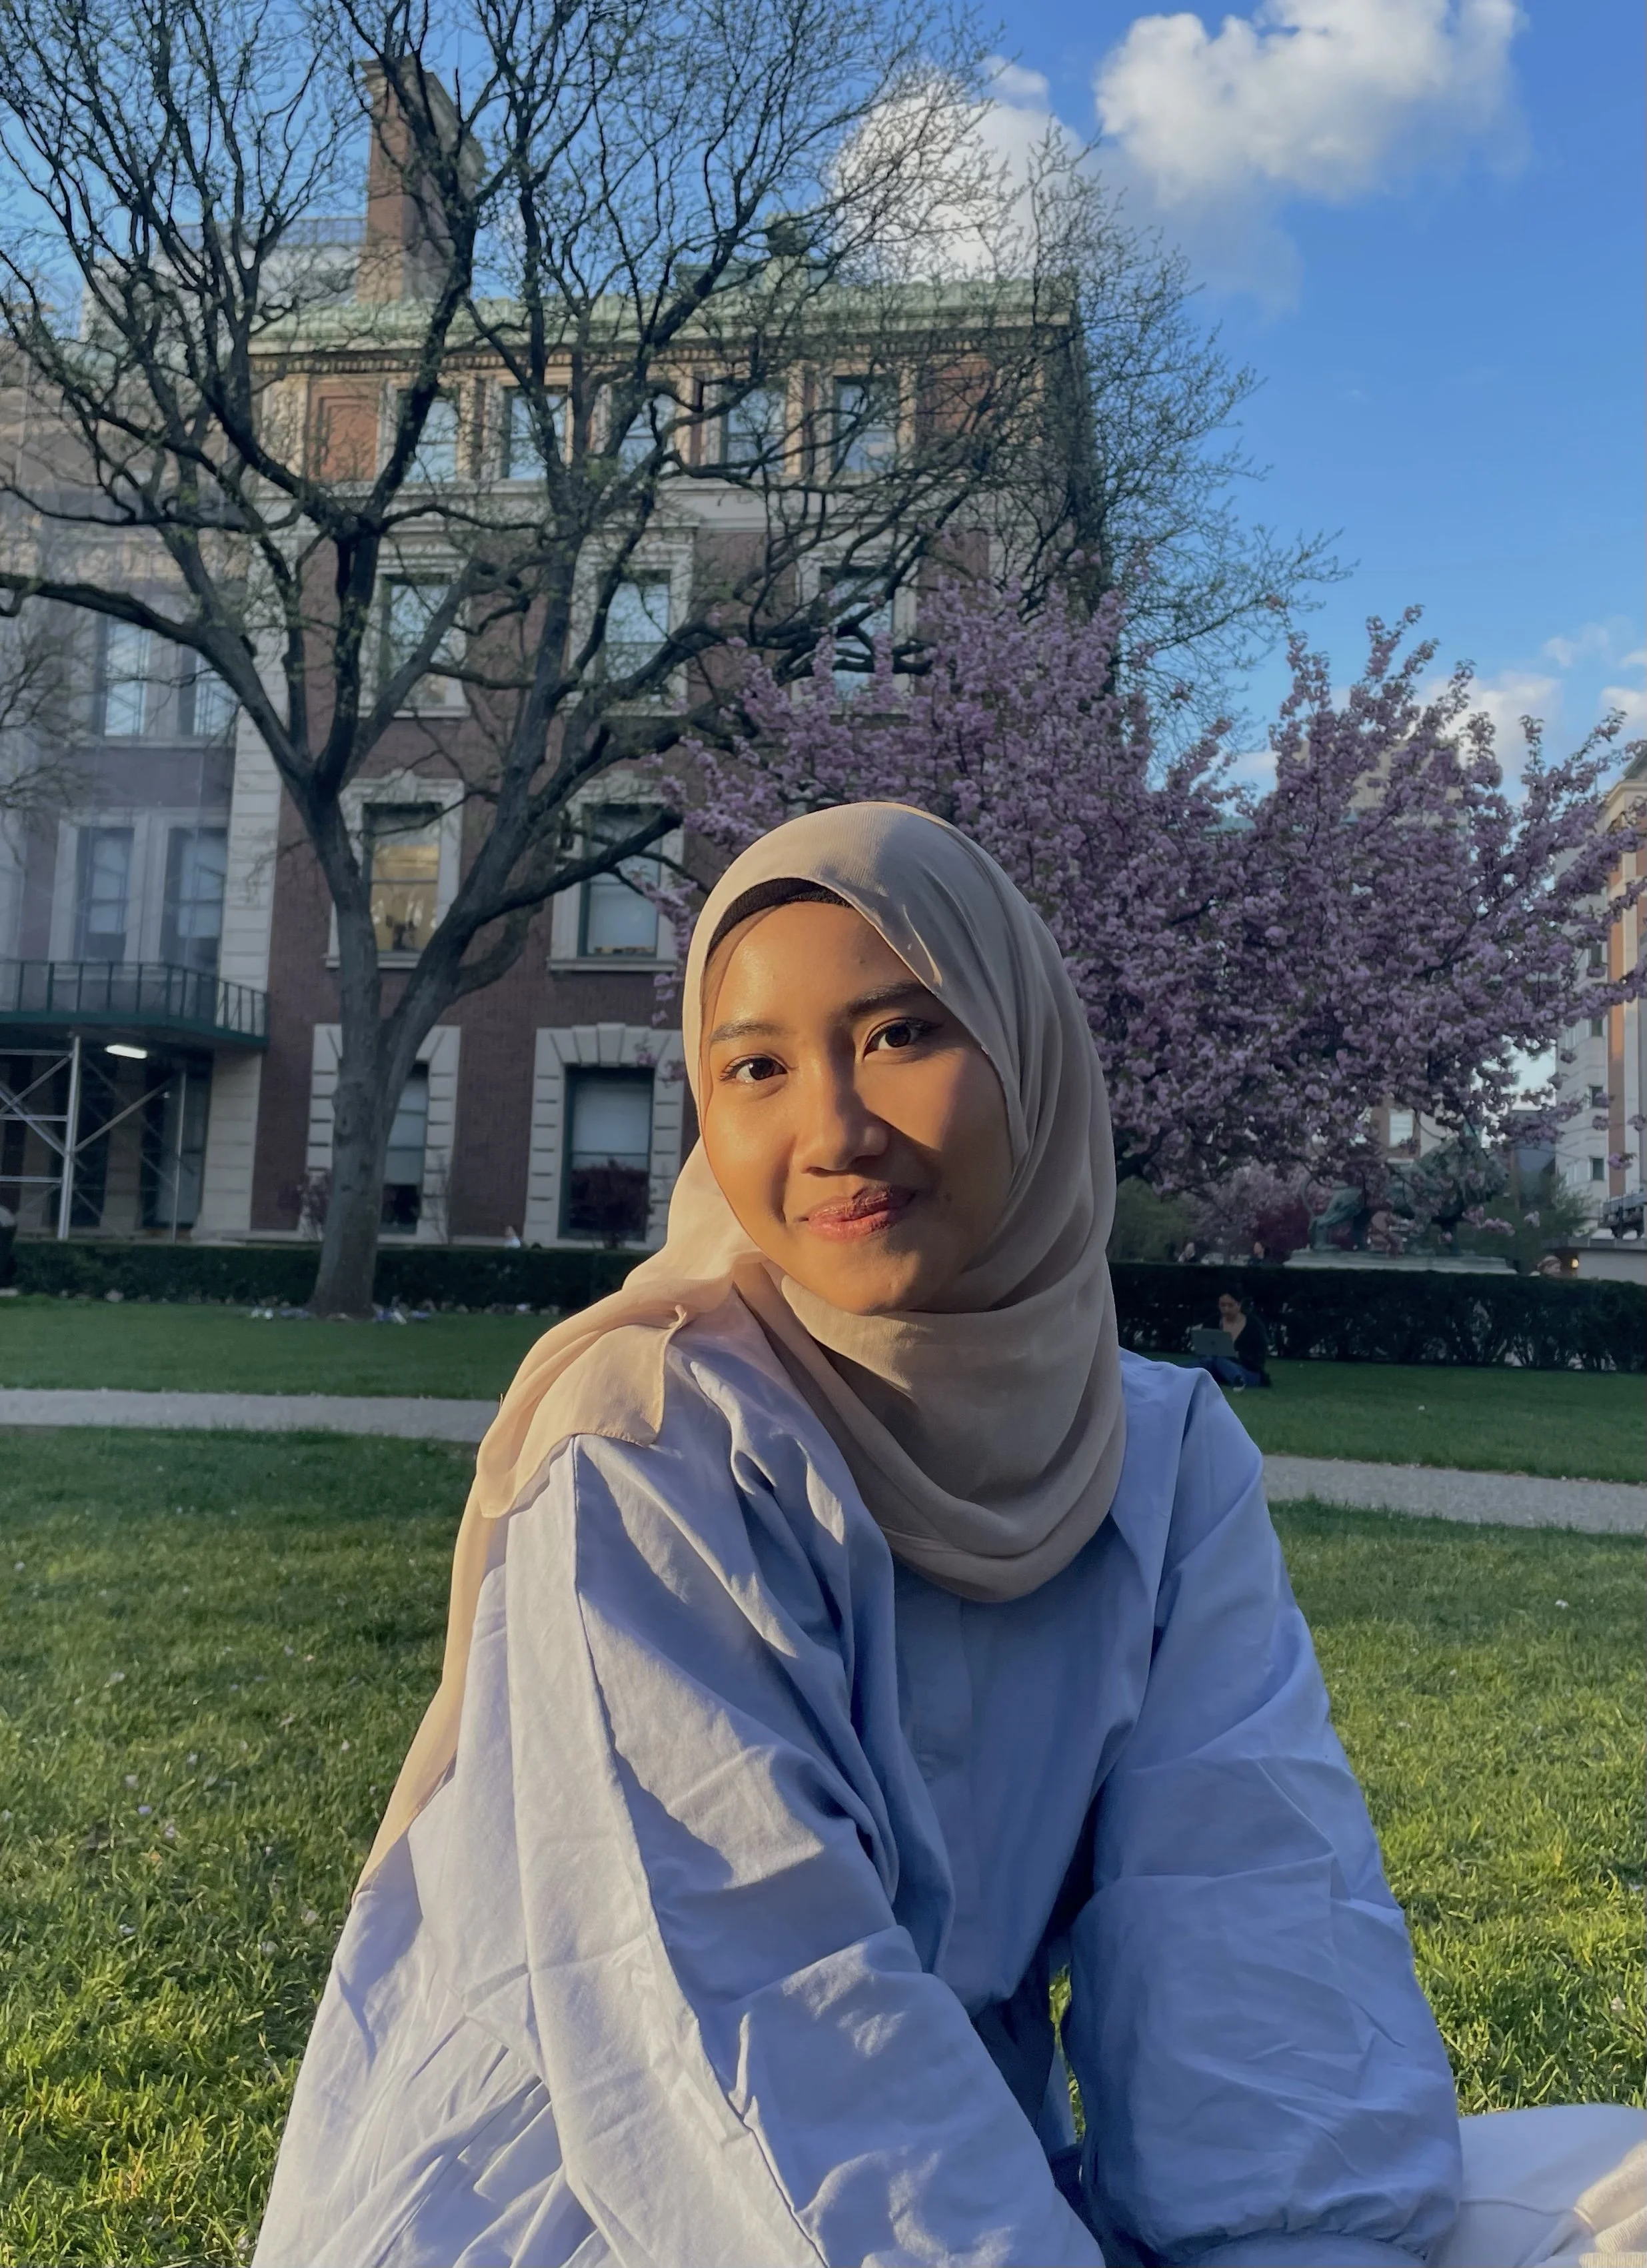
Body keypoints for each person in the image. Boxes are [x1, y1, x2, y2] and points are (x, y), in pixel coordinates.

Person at [257, 805, 1643, 2268]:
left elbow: (1249, 1913)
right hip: (612, 2204)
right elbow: (747, 2011)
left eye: (899, 1033)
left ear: (1029, 1049)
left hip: (976, 2189)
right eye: (754, 1068)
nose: (833, 1131)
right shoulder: (645, 1442)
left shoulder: (1158, 1452)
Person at [1201, 1287, 1271, 1390]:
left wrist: (1239, 1356)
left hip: (1246, 1369)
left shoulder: (1254, 1326)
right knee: (1206, 1362)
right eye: (1222, 1305)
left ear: (1239, 1305)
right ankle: (1179, 1373)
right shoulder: (1212, 1322)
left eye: (1230, 1305)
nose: (1226, 1309)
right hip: (1215, 1364)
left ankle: (1238, 1379)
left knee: (1221, 1361)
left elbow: (1259, 1356)